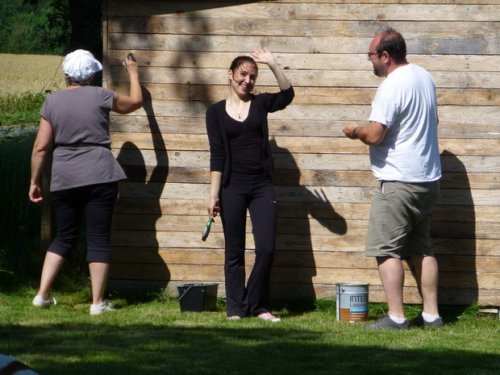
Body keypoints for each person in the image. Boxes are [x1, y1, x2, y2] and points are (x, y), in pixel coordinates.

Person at [343, 28, 443, 329]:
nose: (370, 61)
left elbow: (375, 134)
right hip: (427, 179)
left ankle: (396, 317)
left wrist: (355, 131)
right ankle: (431, 315)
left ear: (385, 56)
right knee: (421, 248)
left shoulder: (391, 85)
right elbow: (433, 121)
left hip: (400, 181)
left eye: (371, 56)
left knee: (386, 249)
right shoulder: (424, 77)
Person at [29, 49, 142, 315]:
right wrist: (134, 73)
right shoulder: (101, 95)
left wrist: (34, 181)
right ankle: (97, 303)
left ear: (67, 74)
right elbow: (136, 102)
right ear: (92, 73)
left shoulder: (52, 103)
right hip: (100, 174)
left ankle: (42, 295)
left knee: (64, 236)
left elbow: (41, 147)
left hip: (64, 177)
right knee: (98, 238)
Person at [206, 49, 294, 322]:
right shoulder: (215, 113)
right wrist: (213, 195)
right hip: (231, 186)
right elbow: (217, 154)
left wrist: (273, 63)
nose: (247, 80)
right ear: (231, 74)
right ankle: (235, 308)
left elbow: (287, 95)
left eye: (252, 76)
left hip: (261, 186)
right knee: (234, 250)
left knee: (266, 248)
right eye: (243, 74)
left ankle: (257, 304)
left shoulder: (260, 104)